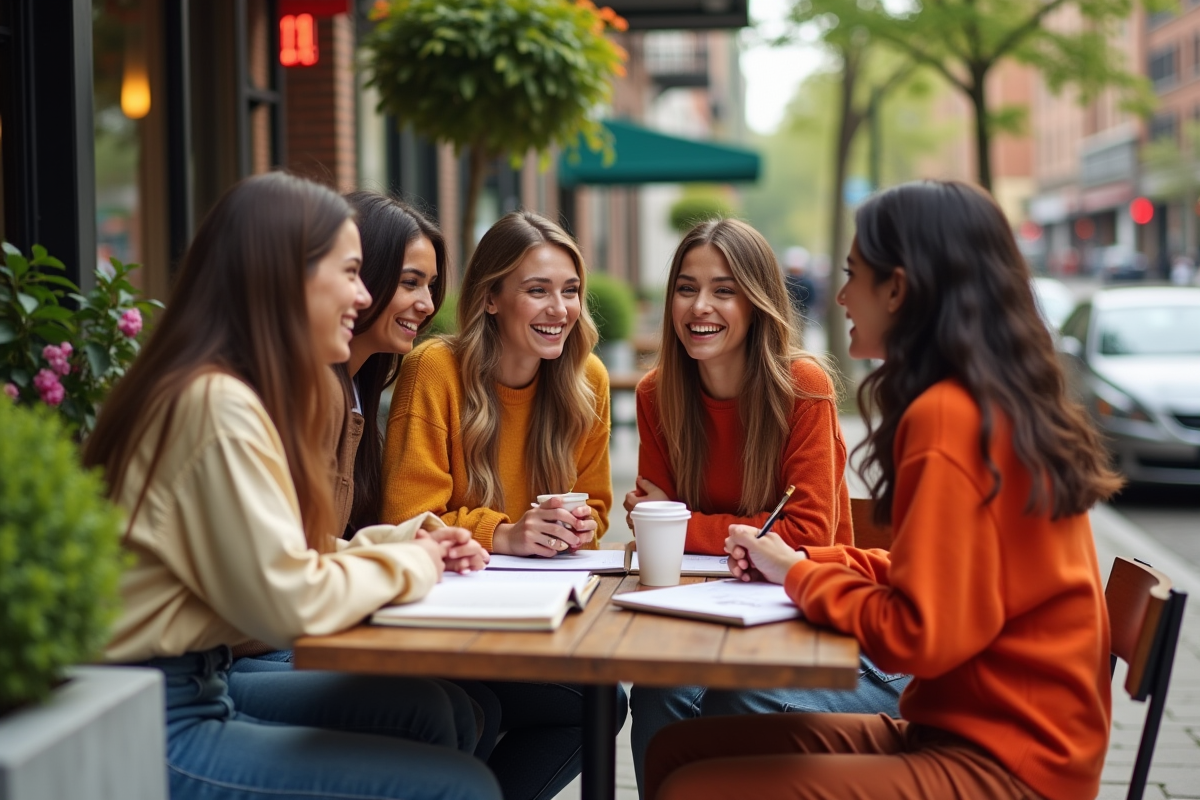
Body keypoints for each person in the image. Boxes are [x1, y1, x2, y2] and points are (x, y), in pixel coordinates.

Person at [645, 180, 1120, 800]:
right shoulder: (979, 403)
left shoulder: (948, 417)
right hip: (973, 732)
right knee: (677, 750)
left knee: (694, 785)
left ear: (897, 288)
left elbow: (916, 633)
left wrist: (799, 576)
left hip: (1008, 761)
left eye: (853, 275)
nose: (839, 295)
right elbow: (924, 576)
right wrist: (806, 560)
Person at [84, 172, 501, 800]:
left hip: (197, 685)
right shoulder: (216, 405)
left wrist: (408, 546)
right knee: (459, 786)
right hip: (160, 716)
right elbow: (287, 603)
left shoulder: (219, 390)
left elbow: (287, 556)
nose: (364, 296)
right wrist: (411, 562)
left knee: (430, 715)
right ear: (285, 276)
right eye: (352, 272)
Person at [622, 218, 909, 796]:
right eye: (685, 287)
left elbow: (801, 537)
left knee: (731, 699)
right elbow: (654, 525)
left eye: (724, 290)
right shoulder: (657, 394)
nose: (700, 305)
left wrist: (685, 524)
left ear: (757, 302)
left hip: (834, 641)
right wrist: (690, 528)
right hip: (718, 620)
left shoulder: (802, 387)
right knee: (657, 691)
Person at [382, 210, 626, 800]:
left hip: (533, 614)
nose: (559, 309)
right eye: (536, 290)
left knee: (601, 701)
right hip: (439, 623)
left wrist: (571, 526)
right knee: (576, 703)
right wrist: (506, 533)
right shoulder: (435, 369)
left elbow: (595, 506)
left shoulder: (585, 377)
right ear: (491, 298)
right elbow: (406, 517)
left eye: (570, 291)